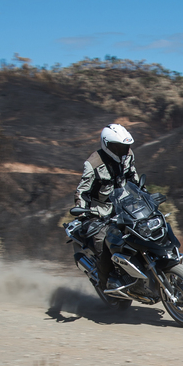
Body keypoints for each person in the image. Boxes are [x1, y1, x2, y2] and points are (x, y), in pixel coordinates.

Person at [74, 123, 138, 289]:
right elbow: (82, 192)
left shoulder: (128, 156)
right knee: (105, 243)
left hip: (124, 207)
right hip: (100, 213)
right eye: (118, 147)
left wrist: (145, 196)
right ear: (108, 145)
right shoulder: (93, 164)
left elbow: (133, 179)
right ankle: (105, 283)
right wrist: (83, 214)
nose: (123, 150)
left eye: (125, 146)